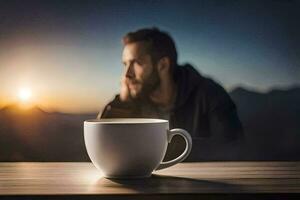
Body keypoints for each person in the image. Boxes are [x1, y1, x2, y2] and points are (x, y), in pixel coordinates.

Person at [98, 27, 244, 161]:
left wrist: (163, 148)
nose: (127, 74)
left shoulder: (210, 94)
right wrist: (123, 103)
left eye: (136, 63)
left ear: (163, 65)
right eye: (125, 64)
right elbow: (102, 148)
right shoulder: (133, 99)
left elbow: (233, 149)